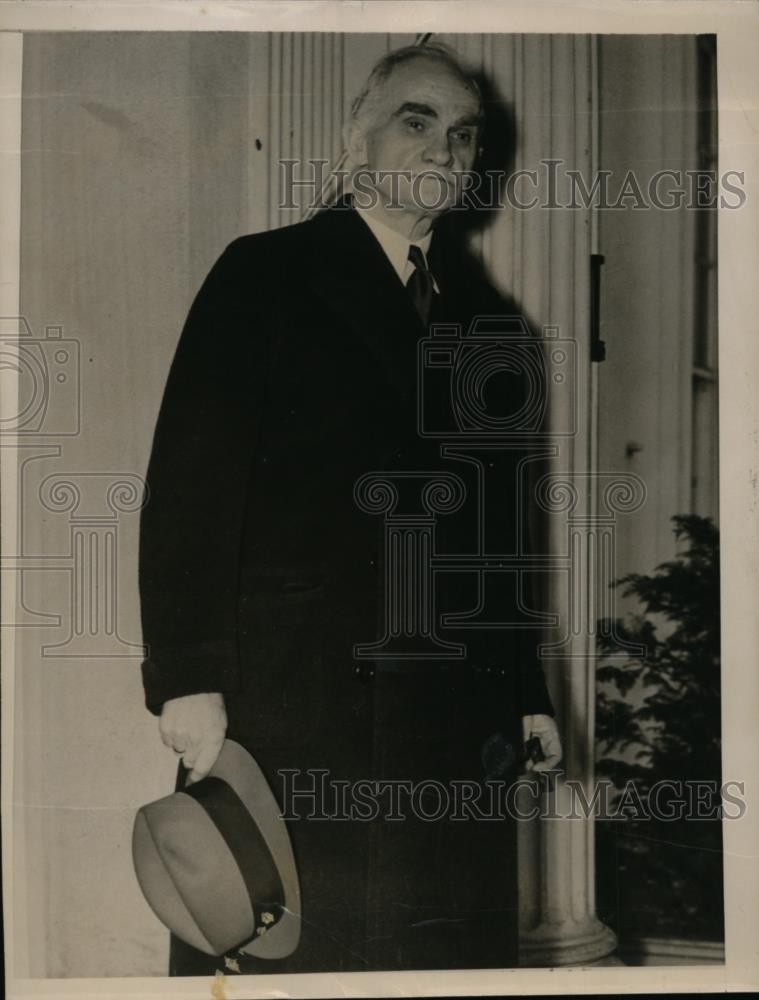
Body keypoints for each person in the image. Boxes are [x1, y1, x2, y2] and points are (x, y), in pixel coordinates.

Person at [138, 42, 562, 976]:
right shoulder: (265, 274)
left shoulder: (497, 331)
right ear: (353, 139)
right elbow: (189, 486)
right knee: (293, 950)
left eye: (463, 135)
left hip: (457, 715)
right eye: (417, 121)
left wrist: (526, 692)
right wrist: (187, 675)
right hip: (294, 700)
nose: (445, 151)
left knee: (438, 960)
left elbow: (500, 532)